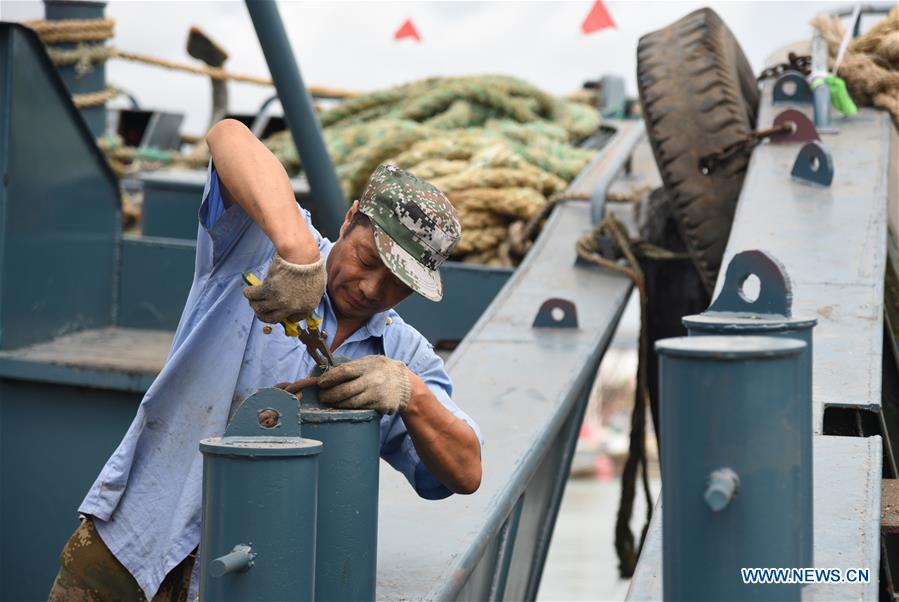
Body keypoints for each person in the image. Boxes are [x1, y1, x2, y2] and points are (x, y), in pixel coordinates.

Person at [49, 118, 484, 601]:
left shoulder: (403, 357)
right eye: (366, 259)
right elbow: (228, 136)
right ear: (350, 218)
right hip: (132, 546)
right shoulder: (257, 246)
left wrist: (411, 396)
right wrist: (296, 253)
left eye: (397, 285)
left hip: (258, 583)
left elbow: (466, 473)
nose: (370, 289)